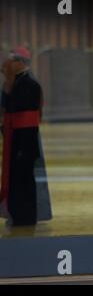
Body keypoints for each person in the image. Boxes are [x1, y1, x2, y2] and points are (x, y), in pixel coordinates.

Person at [0, 47, 43, 226]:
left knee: (24, 180)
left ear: (19, 63)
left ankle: (25, 216)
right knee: (15, 178)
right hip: (14, 139)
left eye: (12, 61)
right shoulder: (14, 82)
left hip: (24, 142)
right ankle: (16, 213)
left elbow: (25, 116)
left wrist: (22, 149)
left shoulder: (30, 84)